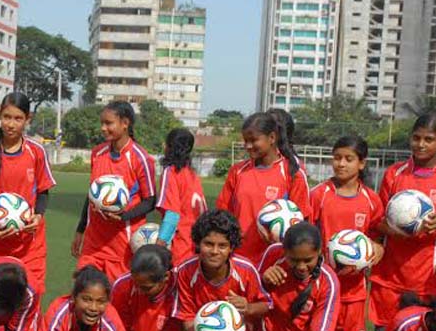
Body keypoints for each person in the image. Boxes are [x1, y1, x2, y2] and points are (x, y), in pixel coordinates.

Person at [370, 113, 436, 331]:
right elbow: (377, 221)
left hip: (427, 279)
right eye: (416, 138)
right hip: (390, 276)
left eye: (429, 139)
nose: (420, 144)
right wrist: (394, 231)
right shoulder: (395, 173)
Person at [309, 136, 385, 331]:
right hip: (321, 286)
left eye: (348, 159)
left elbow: (377, 238)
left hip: (354, 291)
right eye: (337, 158)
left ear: (361, 163)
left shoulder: (371, 200)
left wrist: (377, 249)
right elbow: (307, 233)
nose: (341, 164)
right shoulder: (319, 194)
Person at [0, 93, 55, 294]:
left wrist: (38, 215)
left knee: (30, 296)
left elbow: (43, 191)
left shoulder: (36, 151)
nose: (11, 124)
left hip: (29, 243)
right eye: (7, 117)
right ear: (0, 116)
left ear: (28, 119)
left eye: (18, 119)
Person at [72, 101, 157, 281]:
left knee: (115, 299)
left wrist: (124, 216)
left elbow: (150, 200)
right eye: (102, 123)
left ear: (125, 123)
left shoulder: (141, 158)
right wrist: (80, 230)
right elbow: (91, 196)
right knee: (83, 294)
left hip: (122, 244)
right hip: (93, 242)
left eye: (108, 123)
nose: (103, 128)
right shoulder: (97, 153)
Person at [217, 111, 310, 265]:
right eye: (245, 141)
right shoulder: (238, 171)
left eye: (253, 140)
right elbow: (222, 215)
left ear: (272, 138)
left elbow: (303, 224)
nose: (248, 146)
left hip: (276, 263)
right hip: (239, 259)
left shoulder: (293, 174)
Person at [155, 128, 207, 264]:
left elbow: (172, 215)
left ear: (169, 147)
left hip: (182, 246)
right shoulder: (192, 174)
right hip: (198, 245)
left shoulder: (170, 172)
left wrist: (157, 247)